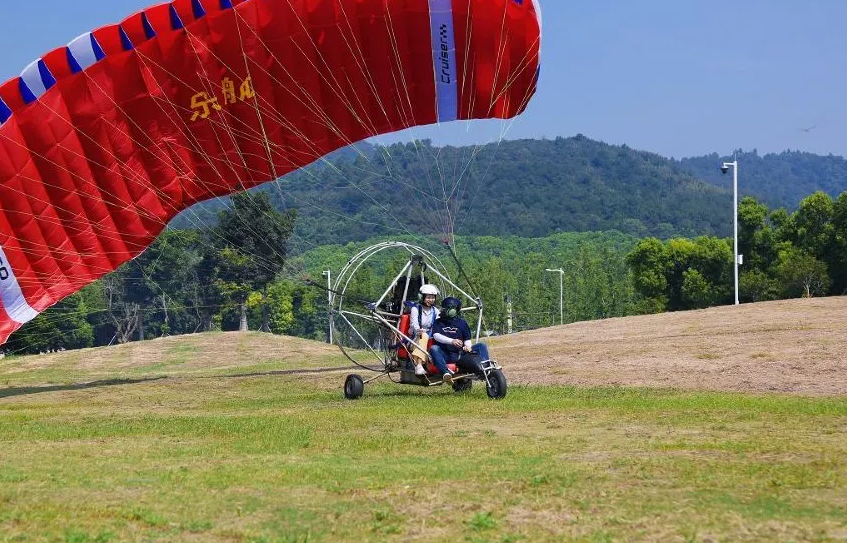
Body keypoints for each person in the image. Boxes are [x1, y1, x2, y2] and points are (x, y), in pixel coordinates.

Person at [430, 297, 490, 384]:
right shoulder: (438, 322)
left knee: (481, 346)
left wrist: (467, 347)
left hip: (460, 354)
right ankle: (445, 373)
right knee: (434, 348)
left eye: (444, 308)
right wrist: (452, 341)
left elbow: (467, 339)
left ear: (453, 310)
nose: (442, 310)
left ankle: (485, 368)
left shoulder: (462, 323)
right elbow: (436, 336)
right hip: (445, 355)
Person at [408, 284, 440, 376]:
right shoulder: (416, 309)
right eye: (428, 297)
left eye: (433, 297)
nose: (431, 300)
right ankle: (419, 366)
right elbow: (414, 325)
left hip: (431, 337)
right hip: (415, 338)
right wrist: (418, 330)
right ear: (422, 297)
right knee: (424, 336)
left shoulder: (435, 310)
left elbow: (439, 323)